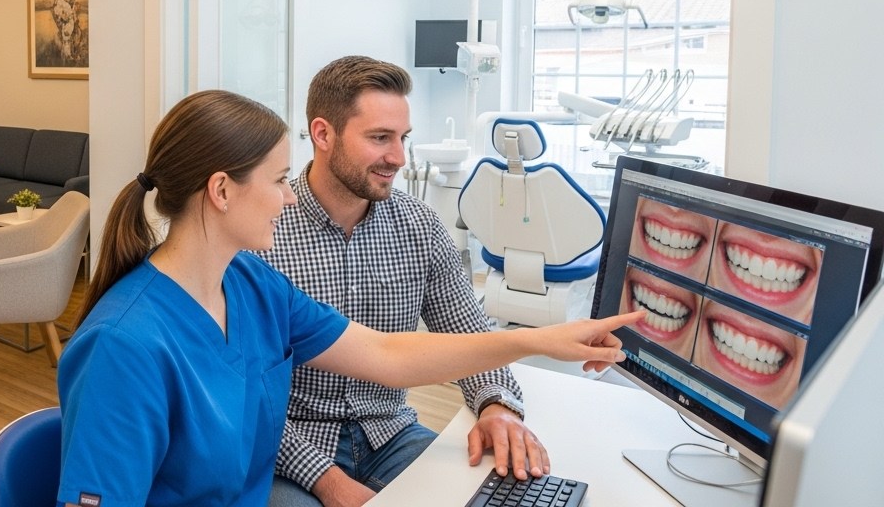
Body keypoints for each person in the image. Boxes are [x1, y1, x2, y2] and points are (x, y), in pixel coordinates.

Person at [56, 88, 642, 507]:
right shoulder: (123, 346)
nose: (289, 199)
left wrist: (540, 340)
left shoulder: (251, 286)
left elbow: (387, 356)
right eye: (280, 180)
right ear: (222, 191)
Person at [256, 56, 551, 507]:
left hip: (390, 433)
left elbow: (468, 336)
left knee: (502, 495)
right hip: (292, 446)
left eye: (402, 138)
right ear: (323, 134)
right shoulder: (263, 234)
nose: (398, 157)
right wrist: (328, 482)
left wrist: (496, 406)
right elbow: (248, 397)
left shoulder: (419, 226)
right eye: (379, 138)